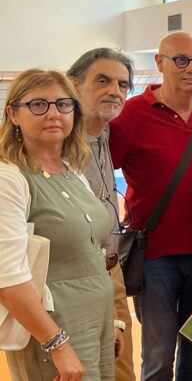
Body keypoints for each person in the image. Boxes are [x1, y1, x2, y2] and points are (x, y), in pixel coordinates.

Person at [111, 31, 192, 380]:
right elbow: (99, 175)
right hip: (155, 257)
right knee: (158, 357)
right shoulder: (130, 115)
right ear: (160, 63)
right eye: (181, 60)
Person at [0, 69, 114, 381]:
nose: (53, 113)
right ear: (13, 114)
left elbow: (93, 251)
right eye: (38, 105)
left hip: (98, 320)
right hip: (54, 327)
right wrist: (57, 344)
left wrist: (112, 322)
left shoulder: (71, 170)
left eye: (63, 104)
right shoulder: (8, 178)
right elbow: (7, 280)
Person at [66, 47, 138, 381]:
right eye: (103, 80)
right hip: (72, 279)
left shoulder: (107, 132)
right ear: (74, 84)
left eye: (123, 84)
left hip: (111, 272)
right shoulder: (55, 141)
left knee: (122, 370)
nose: (115, 90)